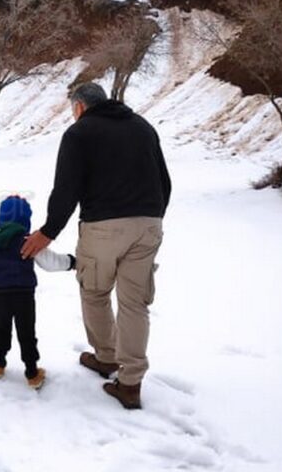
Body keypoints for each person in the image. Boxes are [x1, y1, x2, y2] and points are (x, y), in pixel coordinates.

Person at [21, 83, 171, 409]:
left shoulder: (79, 134)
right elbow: (165, 181)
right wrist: (151, 218)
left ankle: (106, 357)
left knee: (94, 290)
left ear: (79, 107)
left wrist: (47, 233)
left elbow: (66, 190)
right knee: (135, 304)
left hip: (103, 227)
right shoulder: (143, 127)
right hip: (149, 225)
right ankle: (130, 384)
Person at [0, 195, 76, 390]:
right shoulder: (29, 241)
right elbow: (51, 262)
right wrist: (71, 262)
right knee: (27, 332)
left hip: (1, 296)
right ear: (26, 220)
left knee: (2, 328)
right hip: (24, 296)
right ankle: (32, 373)